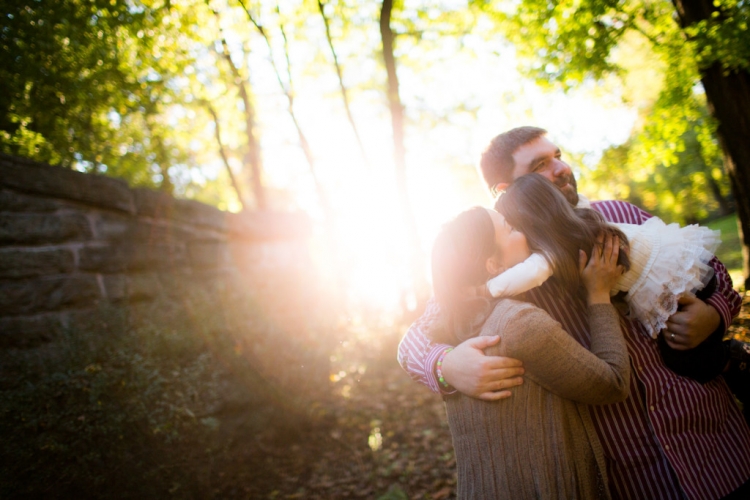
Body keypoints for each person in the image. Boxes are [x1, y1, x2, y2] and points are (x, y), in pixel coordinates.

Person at [398, 126, 750, 498]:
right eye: (540, 165)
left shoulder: (616, 212)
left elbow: (709, 269)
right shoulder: (505, 262)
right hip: (628, 478)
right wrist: (446, 366)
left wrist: (714, 313)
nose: (561, 168)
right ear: (506, 192)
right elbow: (414, 341)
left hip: (719, 450)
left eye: (558, 156)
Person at [432, 205, 629, 499]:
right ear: (492, 266)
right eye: (510, 228)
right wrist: (599, 295)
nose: (523, 230)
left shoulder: (456, 332)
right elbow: (613, 383)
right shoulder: (519, 324)